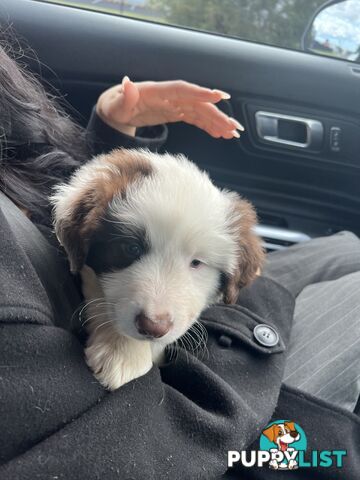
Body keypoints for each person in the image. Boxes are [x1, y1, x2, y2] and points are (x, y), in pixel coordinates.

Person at [0, 41, 359, 479]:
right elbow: (124, 445)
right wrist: (247, 326)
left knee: (347, 247)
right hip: (222, 410)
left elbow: (74, 215)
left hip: (228, 320)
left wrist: (110, 135)